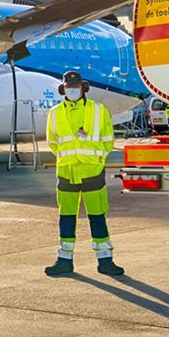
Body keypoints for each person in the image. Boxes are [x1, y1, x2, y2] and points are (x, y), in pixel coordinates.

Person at [44, 70, 123, 277]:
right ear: (64, 89)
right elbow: (52, 142)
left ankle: (105, 260)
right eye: (69, 87)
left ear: (83, 88)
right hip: (67, 170)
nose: (72, 90)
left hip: (92, 170)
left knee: (97, 216)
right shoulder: (55, 113)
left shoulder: (99, 110)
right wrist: (67, 155)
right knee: (66, 217)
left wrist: (96, 158)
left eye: (76, 86)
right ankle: (64, 260)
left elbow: (108, 141)